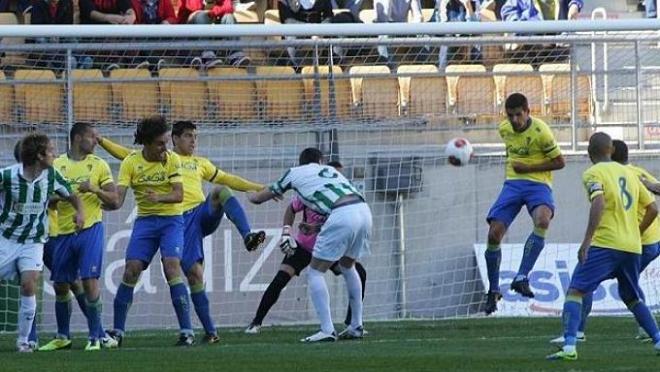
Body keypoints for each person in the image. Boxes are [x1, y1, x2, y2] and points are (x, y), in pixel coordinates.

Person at [98, 120, 266, 343]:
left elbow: (228, 178)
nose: (193, 141)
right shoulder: (147, 157)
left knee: (220, 190)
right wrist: (100, 140)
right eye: (188, 136)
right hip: (177, 221)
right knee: (194, 273)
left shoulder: (198, 163)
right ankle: (210, 332)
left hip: (197, 215)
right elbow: (125, 153)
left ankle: (247, 236)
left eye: (195, 137)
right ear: (174, 138)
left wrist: (259, 188)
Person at [547, 132, 660, 361]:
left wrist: (587, 241)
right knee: (631, 296)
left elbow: (598, 201)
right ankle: (658, 340)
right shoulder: (631, 174)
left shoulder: (593, 173)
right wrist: (636, 233)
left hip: (606, 244)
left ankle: (570, 345)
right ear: (611, 150)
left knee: (575, 290)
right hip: (632, 246)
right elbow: (654, 209)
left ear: (590, 152)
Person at [247, 148, 372, 342]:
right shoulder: (332, 174)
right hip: (362, 211)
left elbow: (256, 199)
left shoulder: (295, 173)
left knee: (315, 273)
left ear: (300, 162)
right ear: (322, 161)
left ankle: (327, 329)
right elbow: (327, 210)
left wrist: (247, 191)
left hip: (337, 223)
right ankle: (356, 325)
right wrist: (293, 231)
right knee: (349, 267)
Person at [106, 116, 194, 347]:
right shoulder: (130, 163)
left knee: (171, 266)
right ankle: (117, 331)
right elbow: (118, 198)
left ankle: (186, 331)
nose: (165, 148)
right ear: (145, 142)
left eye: (166, 142)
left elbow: (179, 195)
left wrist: (159, 197)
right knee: (131, 270)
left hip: (171, 220)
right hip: (145, 222)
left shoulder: (172, 160)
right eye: (160, 143)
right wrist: (102, 199)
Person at [38, 123, 119, 352]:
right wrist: (62, 198)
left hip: (91, 229)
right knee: (61, 284)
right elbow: (47, 199)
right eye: (92, 137)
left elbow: (113, 200)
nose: (96, 140)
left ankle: (95, 336)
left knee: (89, 280)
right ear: (78, 138)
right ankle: (63, 336)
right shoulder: (57, 165)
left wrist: (94, 189)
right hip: (63, 232)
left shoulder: (99, 165)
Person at [0, 132, 84, 352]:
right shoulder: (7, 176)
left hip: (33, 241)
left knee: (29, 284)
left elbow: (72, 196)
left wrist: (80, 213)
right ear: (39, 155)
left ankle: (23, 341)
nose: (55, 154)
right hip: (6, 239)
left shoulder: (52, 176)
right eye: (51, 150)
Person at [484, 92, 565, 315]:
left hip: (538, 184)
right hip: (513, 184)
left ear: (528, 112)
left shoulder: (542, 132)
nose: (515, 120)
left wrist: (527, 168)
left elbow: (560, 162)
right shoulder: (504, 129)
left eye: (519, 115)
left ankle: (521, 276)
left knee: (543, 220)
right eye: (510, 115)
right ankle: (493, 290)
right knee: (493, 235)